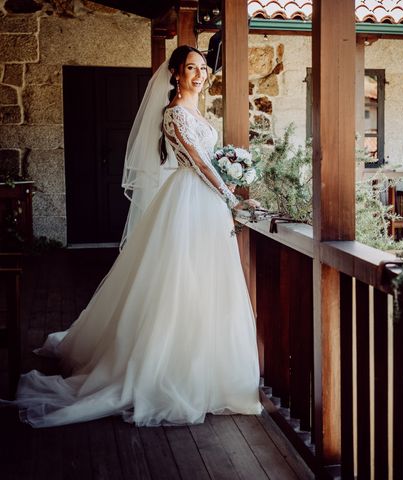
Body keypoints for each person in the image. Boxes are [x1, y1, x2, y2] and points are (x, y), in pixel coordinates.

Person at [3, 46, 263, 427]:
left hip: (207, 207)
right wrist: (231, 196)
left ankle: (207, 365)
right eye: (191, 68)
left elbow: (211, 159)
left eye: (203, 68)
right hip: (188, 202)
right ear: (175, 73)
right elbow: (195, 160)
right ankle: (167, 366)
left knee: (207, 282)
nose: (199, 74)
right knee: (177, 281)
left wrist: (231, 179)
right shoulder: (174, 114)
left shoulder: (197, 113)